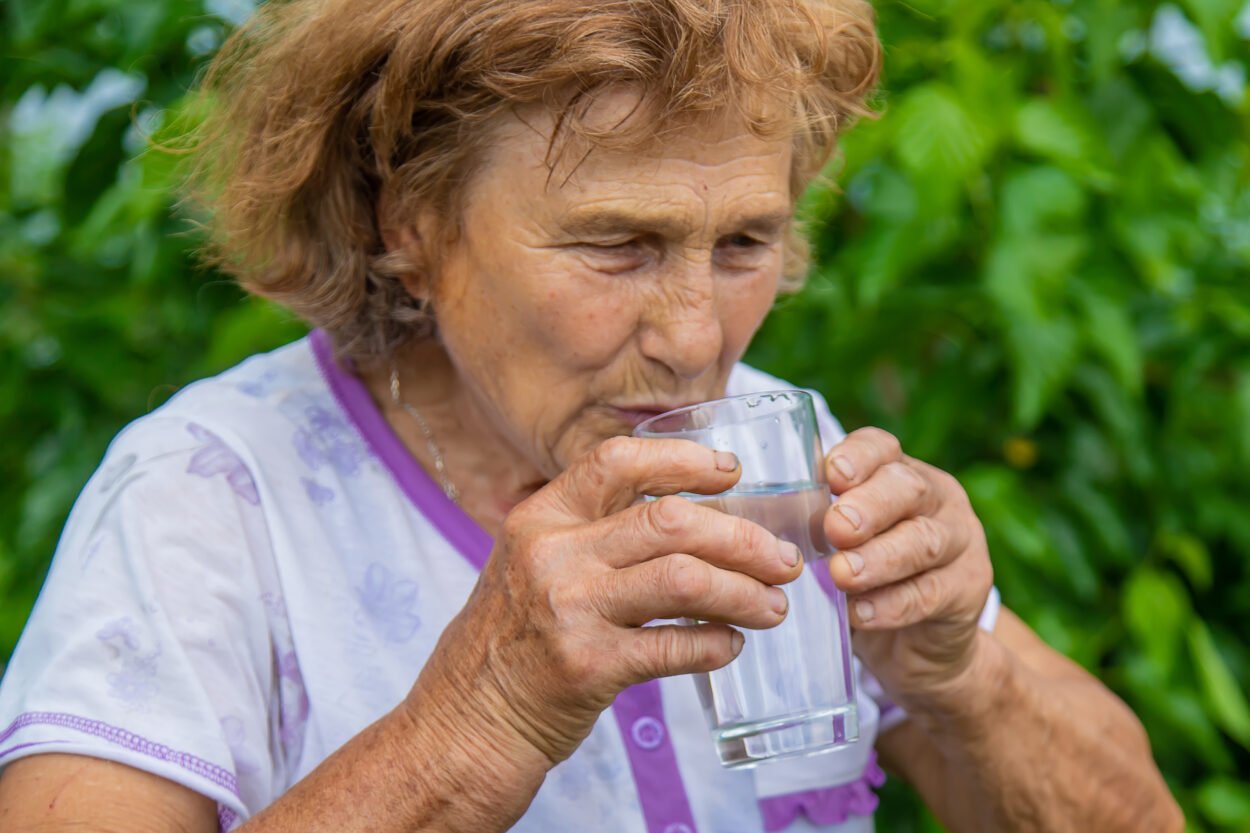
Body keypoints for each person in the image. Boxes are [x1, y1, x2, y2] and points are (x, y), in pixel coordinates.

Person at [0, 0, 1182, 831]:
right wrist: (481, 717)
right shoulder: (206, 498)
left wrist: (956, 669)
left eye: (742, 243)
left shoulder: (788, 457)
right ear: (405, 220)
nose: (692, 336)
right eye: (617, 245)